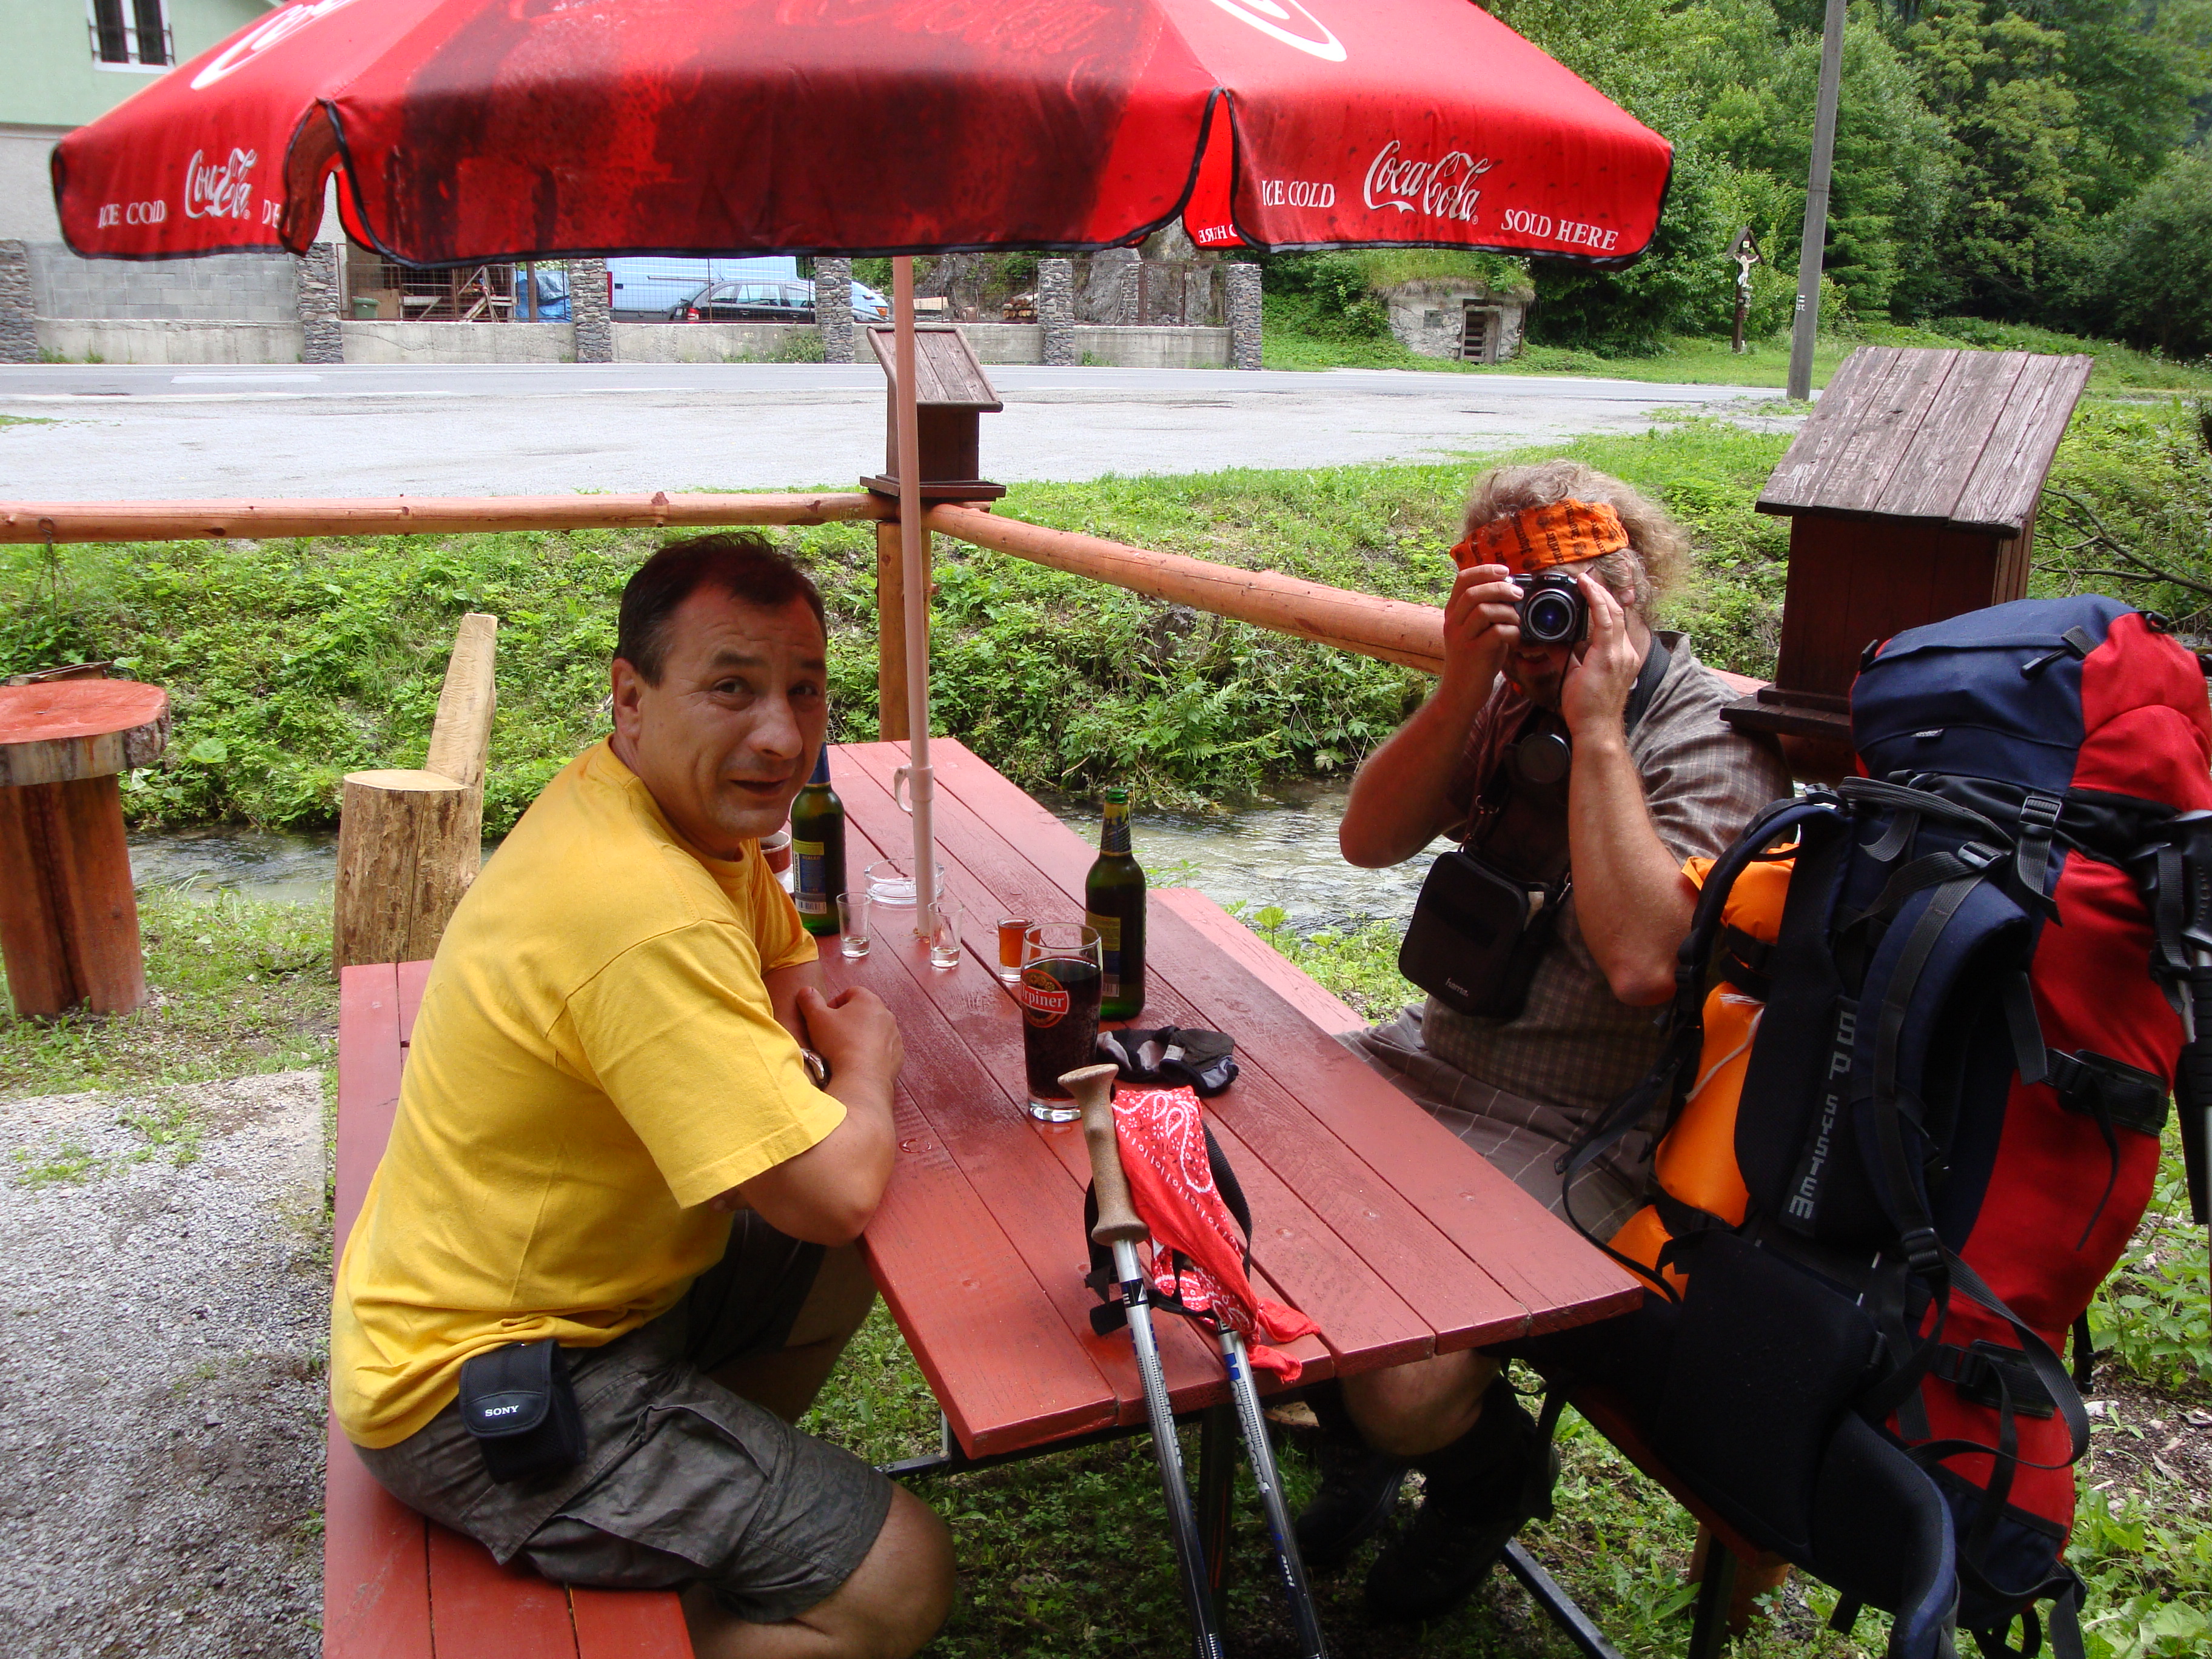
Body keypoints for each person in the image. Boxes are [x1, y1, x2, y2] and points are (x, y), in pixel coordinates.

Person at [330, 534, 954, 1659]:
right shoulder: (637, 905)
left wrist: (800, 1078)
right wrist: (867, 1070)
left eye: (804, 691)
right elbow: (828, 1191)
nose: (783, 736)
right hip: (475, 1382)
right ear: (631, 697)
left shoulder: (664, 809)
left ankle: (688, 1482)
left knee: (855, 1235)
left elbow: (787, 973)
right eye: (732, 688)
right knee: (899, 1579)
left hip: (589, 1294)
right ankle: (643, 1618)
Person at [1302, 462, 1792, 1621]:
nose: (1537, 633)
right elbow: (1368, 841)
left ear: (1630, 588)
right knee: (1242, 1177)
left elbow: (1646, 967)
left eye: (1557, 601)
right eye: (1507, 603)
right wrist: (1461, 681)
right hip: (1436, 1057)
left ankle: (1485, 1480)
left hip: (1585, 1127)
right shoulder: (1503, 697)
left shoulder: (1709, 743)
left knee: (1406, 1381)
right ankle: (1359, 1438)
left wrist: (1599, 730)